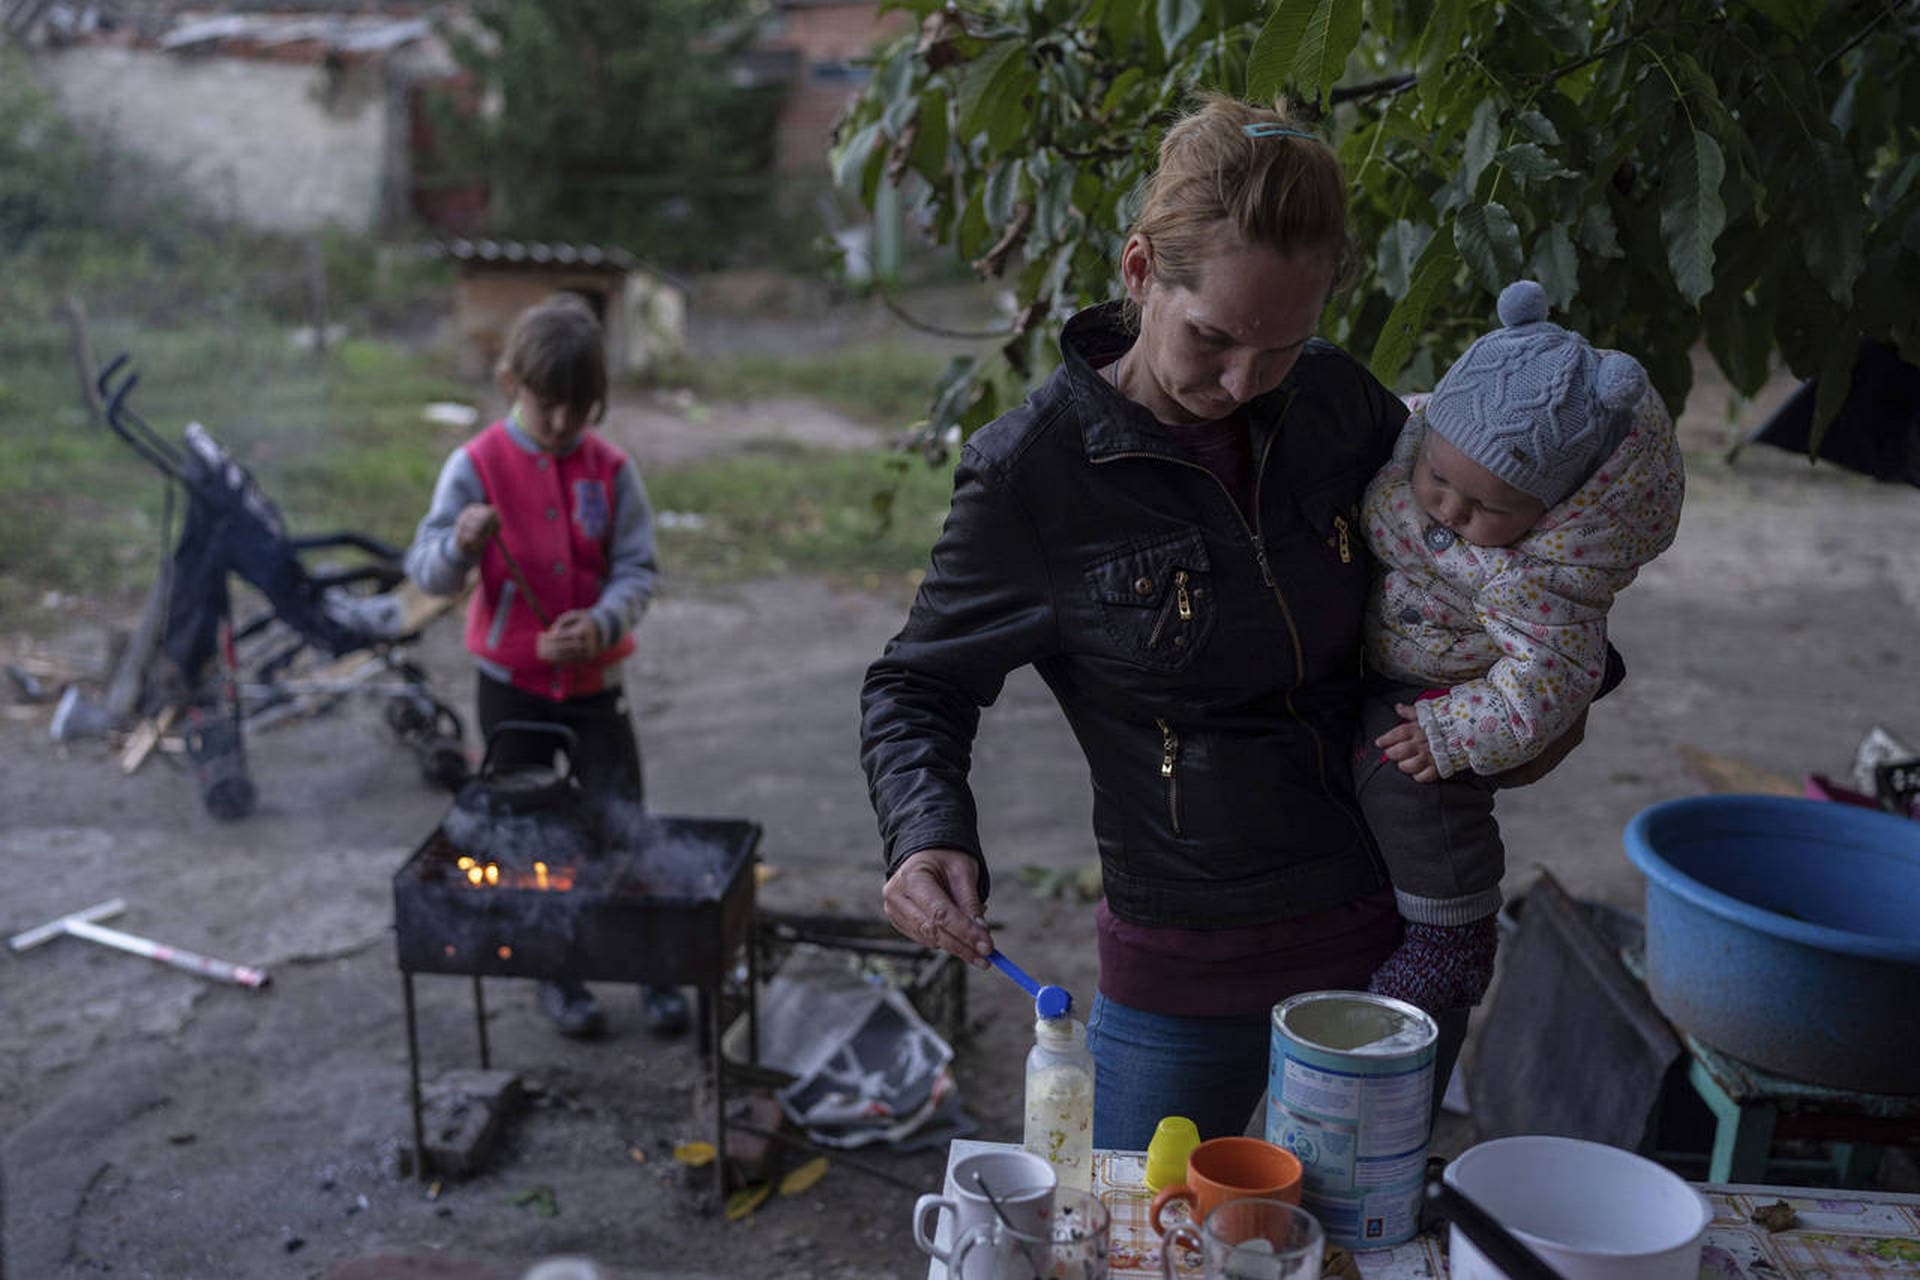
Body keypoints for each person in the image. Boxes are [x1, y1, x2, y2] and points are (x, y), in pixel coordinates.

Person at [860, 94, 1595, 1150]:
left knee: (1348, 1253)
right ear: (1139, 271)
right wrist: (925, 831)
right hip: (1182, 965)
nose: (1244, 382)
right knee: (1130, 1243)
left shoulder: (1340, 403)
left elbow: (1492, 554)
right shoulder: (1037, 474)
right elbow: (918, 684)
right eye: (1213, 339)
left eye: (1283, 346)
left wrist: (1559, 689)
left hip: (1389, 936)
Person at [1354, 280, 1683, 1014]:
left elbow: (1554, 677)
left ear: (1552, 509)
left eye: (1487, 508)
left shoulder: (1543, 579)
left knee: (1406, 777)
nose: (1447, 506)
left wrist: (1453, 732)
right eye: (1437, 477)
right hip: (1386, 652)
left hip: (1452, 691)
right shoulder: (1410, 437)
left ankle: (1456, 930)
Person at [405, 293, 689, 1039]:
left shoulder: (612, 473)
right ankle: (557, 975)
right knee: (534, 844)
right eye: (547, 405)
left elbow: (638, 572)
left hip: (597, 689)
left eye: (581, 407)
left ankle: (654, 970)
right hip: (512, 693)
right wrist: (460, 545)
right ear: (509, 383)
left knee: (621, 829)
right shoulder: (474, 467)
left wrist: (600, 624)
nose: (563, 424)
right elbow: (427, 576)